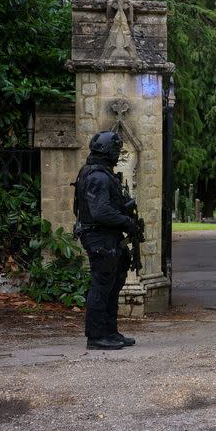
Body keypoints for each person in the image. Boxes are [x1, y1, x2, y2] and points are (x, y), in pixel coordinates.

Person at [73, 131, 137, 350]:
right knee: (102, 285)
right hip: (100, 237)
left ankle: (110, 332)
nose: (117, 154)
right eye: (116, 150)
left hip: (107, 237)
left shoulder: (100, 173)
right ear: (108, 151)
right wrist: (126, 221)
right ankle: (96, 336)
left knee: (112, 284)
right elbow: (101, 212)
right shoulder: (98, 176)